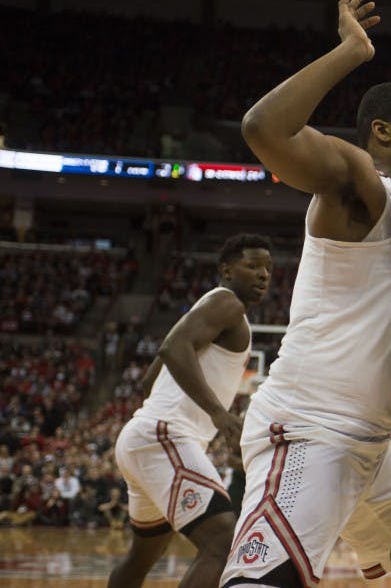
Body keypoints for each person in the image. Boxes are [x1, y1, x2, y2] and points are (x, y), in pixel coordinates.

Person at [220, 0, 391, 588]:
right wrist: (350, 52)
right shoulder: (365, 186)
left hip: (372, 443)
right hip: (310, 426)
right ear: (383, 132)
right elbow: (263, 127)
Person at [109, 233, 273, 588]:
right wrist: (217, 412)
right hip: (165, 436)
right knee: (222, 541)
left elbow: (151, 377)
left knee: (140, 559)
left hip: (148, 438)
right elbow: (172, 348)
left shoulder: (209, 308)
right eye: (253, 265)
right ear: (227, 270)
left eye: (268, 268)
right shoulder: (228, 304)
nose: (263, 274)